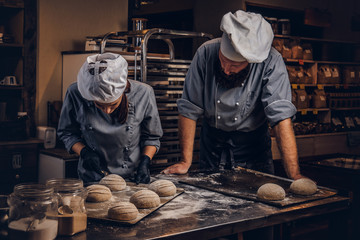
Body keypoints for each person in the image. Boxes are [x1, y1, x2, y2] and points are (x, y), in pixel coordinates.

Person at [162, 10, 304, 181]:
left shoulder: (271, 62)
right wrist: (185, 161)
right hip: (212, 145)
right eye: (223, 60)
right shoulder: (205, 53)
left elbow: (281, 118)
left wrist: (294, 175)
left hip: (254, 148)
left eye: (235, 65)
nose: (226, 70)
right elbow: (188, 109)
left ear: (251, 61)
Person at [58, 52, 163, 183]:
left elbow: (152, 137)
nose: (107, 111)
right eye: (99, 105)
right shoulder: (75, 93)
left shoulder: (144, 93)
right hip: (92, 177)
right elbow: (67, 133)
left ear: (123, 90)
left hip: (132, 177)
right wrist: (84, 152)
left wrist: (145, 161)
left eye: (113, 105)